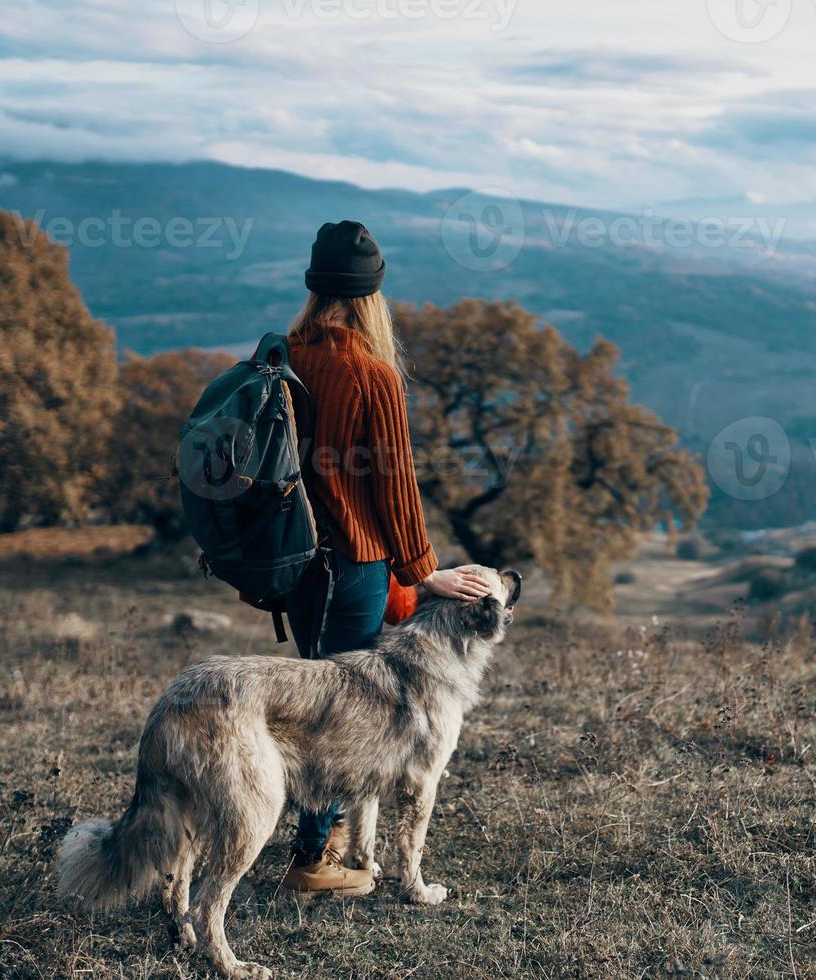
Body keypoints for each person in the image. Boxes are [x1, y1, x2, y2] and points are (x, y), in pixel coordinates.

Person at [279, 220, 492, 899]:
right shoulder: (370, 373)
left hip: (296, 565)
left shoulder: (283, 355)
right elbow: (396, 487)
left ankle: (325, 839)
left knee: (312, 697)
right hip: (355, 566)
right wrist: (422, 569)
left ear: (316, 288)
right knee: (340, 716)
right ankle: (314, 860)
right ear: (372, 295)